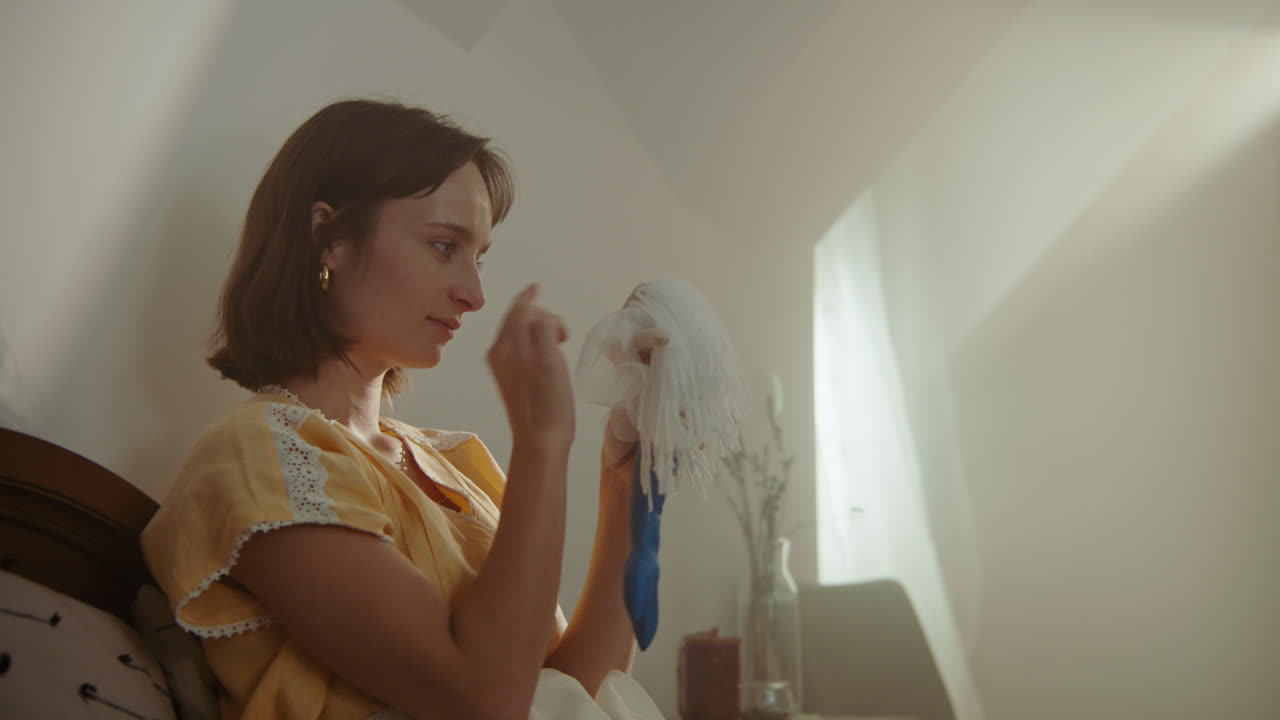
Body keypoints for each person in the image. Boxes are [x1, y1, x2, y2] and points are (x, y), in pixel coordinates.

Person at [141, 99, 639, 720]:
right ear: (331, 240)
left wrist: (628, 490)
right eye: (442, 246)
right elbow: (483, 699)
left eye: (478, 257)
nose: (475, 293)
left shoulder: (455, 463)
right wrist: (542, 442)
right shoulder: (257, 456)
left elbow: (564, 692)